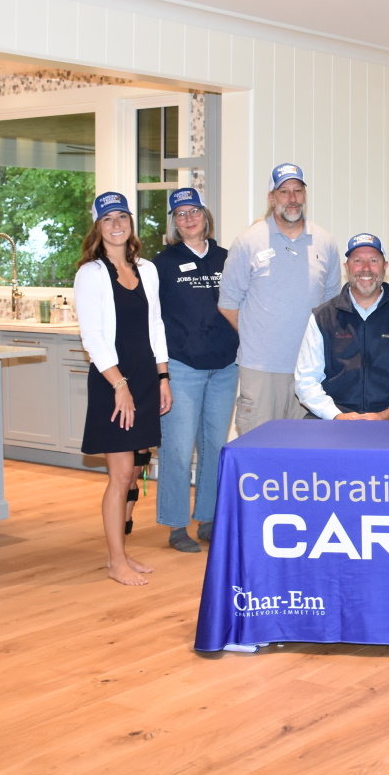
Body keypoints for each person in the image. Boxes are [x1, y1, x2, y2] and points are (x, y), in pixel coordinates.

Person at [74, 191, 173, 586]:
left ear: (131, 223)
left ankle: (121, 553)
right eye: (108, 219)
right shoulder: (91, 273)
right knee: (119, 475)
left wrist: (163, 377)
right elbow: (92, 337)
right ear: (98, 227)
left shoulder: (146, 269)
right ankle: (116, 561)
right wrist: (119, 384)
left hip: (145, 378)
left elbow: (156, 326)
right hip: (112, 381)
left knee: (133, 471)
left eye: (122, 217)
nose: (116, 225)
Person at [218, 163, 342, 435]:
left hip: (310, 369)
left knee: (304, 448)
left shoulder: (325, 242)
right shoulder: (248, 242)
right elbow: (227, 304)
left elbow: (332, 303)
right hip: (261, 369)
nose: (292, 198)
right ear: (272, 198)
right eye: (284, 192)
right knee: (258, 447)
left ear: (305, 195)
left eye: (298, 190)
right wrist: (259, 337)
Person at [152, 187, 239, 553]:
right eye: (181, 213)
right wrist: (159, 372)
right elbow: (152, 319)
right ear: (174, 222)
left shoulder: (226, 258)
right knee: (177, 447)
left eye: (194, 211)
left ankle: (208, 519)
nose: (189, 218)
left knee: (215, 446)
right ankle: (176, 526)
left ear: (206, 216)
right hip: (182, 366)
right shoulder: (162, 263)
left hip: (225, 367)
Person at [295, 233, 389, 420]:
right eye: (358, 261)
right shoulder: (322, 317)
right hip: (334, 416)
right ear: (347, 267)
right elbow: (306, 380)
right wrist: (336, 415)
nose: (366, 268)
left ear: (385, 267)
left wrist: (387, 414)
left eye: (373, 260)